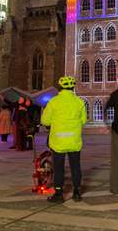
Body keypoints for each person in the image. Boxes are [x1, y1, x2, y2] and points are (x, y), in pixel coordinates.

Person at [41, 75, 86, 203]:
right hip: (74, 140)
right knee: (75, 166)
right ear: (73, 87)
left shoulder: (53, 102)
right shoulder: (79, 102)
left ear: (60, 88)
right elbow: (83, 120)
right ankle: (77, 192)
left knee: (59, 167)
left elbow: (45, 120)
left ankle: (59, 193)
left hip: (58, 141)